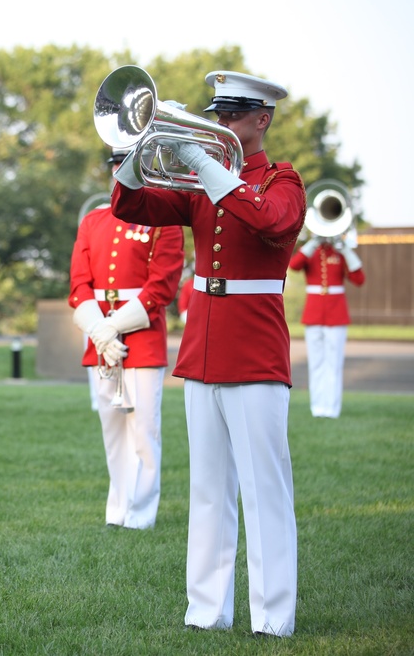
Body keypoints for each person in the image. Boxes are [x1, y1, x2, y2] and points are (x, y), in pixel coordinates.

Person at [111, 71, 304, 636]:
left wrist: (203, 160)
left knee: (265, 490)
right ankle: (206, 610)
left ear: (261, 119)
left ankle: (272, 619)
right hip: (202, 350)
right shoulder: (202, 183)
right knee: (208, 491)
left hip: (255, 352)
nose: (219, 124)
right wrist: (137, 146)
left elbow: (270, 220)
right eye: (215, 114)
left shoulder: (281, 180)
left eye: (231, 115)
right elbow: (131, 206)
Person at [69, 147, 184, 529]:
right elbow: (78, 286)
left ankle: (141, 514)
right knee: (112, 431)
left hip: (141, 339)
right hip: (101, 340)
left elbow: (161, 287)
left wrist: (112, 327)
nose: (120, 171)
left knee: (144, 431)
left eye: (128, 164)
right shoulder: (92, 222)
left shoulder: (163, 222)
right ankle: (117, 510)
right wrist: (101, 332)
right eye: (117, 165)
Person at [289, 235, 365, 418]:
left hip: (336, 313)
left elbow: (359, 279)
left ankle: (331, 408)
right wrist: (313, 242)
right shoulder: (311, 251)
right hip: (314, 313)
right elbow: (294, 265)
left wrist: (345, 250)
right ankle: (317, 407)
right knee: (315, 363)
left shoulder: (340, 253)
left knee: (334, 363)